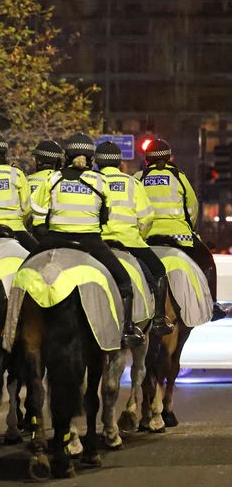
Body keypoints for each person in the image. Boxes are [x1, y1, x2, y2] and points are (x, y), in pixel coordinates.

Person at [30, 132, 144, 348]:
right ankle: (127, 329)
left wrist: (46, 233)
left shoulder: (52, 179)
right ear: (91, 158)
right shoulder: (99, 180)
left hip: (55, 239)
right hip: (91, 242)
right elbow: (105, 216)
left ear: (67, 155)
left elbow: (38, 214)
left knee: (22, 274)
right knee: (123, 280)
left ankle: (13, 326)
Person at [135, 139, 225, 320]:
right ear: (169, 158)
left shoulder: (138, 178)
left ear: (147, 159)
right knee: (207, 261)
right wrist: (189, 227)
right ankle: (213, 305)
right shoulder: (178, 177)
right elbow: (192, 207)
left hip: (145, 238)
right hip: (179, 237)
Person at [95, 141, 175, 335]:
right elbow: (146, 217)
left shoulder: (90, 181)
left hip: (97, 243)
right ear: (120, 162)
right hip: (129, 242)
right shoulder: (132, 183)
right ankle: (158, 319)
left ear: (96, 161)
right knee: (159, 271)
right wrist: (141, 236)